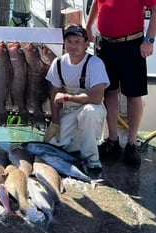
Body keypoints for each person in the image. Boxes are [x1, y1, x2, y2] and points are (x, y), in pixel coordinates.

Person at [86, 0, 156, 167]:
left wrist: (149, 40)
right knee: (109, 92)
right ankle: (112, 139)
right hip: (105, 44)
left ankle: (131, 144)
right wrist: (89, 27)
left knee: (133, 95)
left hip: (132, 45)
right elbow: (95, 4)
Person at [44, 25, 109, 174]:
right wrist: (55, 123)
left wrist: (67, 97)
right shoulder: (58, 63)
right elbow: (54, 94)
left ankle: (92, 159)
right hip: (69, 111)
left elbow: (97, 97)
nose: (73, 46)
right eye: (70, 41)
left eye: (77, 42)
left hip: (92, 108)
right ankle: (78, 148)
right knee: (52, 146)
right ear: (64, 43)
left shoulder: (95, 64)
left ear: (86, 44)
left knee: (89, 112)